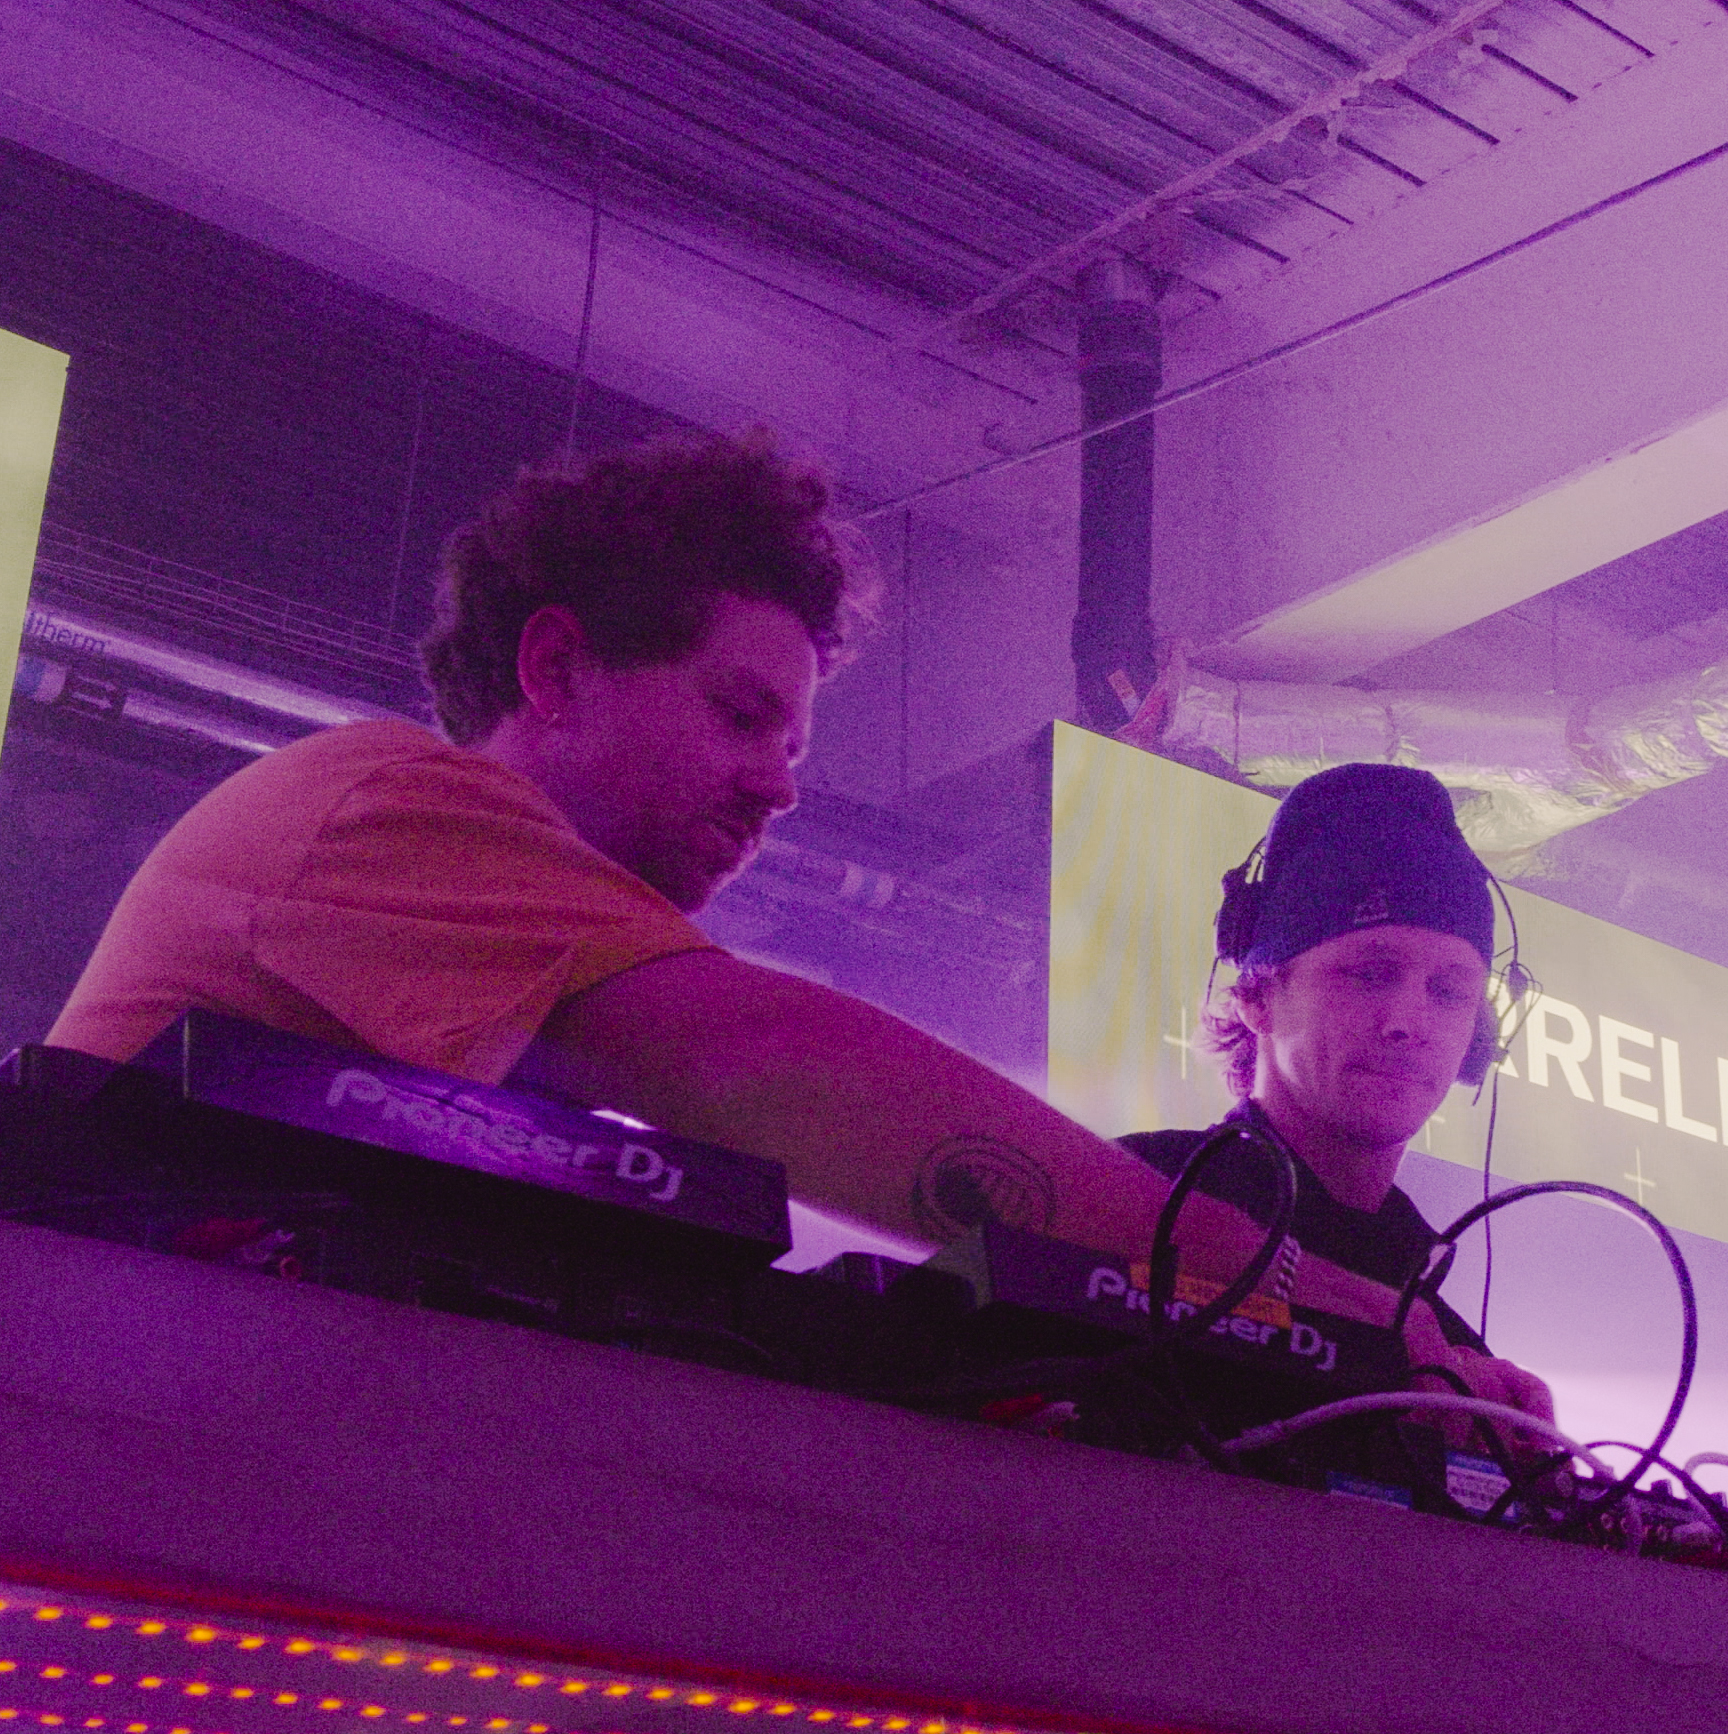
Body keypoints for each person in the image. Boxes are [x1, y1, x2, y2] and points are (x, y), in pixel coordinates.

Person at [49, 433, 1540, 1412]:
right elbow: (786, 1065)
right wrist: (1346, 1311)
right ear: (557, 667)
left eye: (799, 748)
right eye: (741, 714)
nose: (776, 786)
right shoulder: (380, 798)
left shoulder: (490, 968)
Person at [1120, 762, 1553, 1416]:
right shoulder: (1128, 1188)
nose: (1409, 1022)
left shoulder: (1451, 1346)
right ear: (1257, 997)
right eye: (1371, 973)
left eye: (1450, 990)